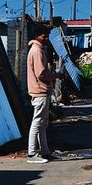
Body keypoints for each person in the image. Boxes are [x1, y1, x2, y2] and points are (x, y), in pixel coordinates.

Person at [26, 24, 61, 164]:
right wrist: (55, 75)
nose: (46, 38)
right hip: (39, 91)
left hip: (40, 91)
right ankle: (32, 153)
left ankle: (45, 151)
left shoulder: (37, 49)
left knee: (42, 123)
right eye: (44, 36)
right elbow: (41, 73)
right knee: (37, 123)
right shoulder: (37, 51)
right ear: (37, 36)